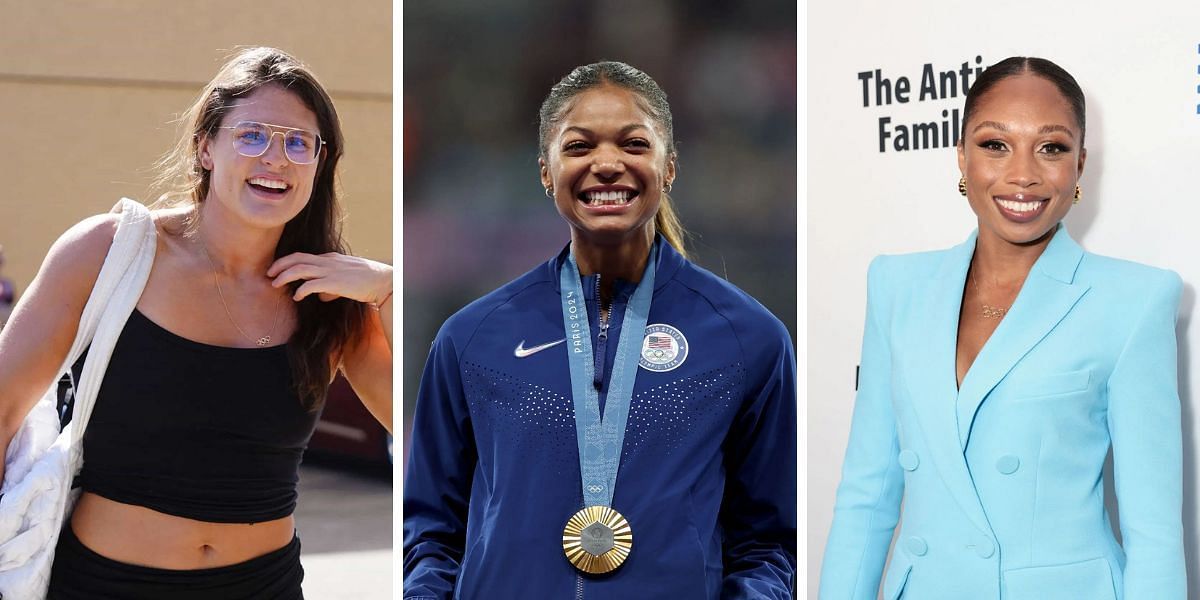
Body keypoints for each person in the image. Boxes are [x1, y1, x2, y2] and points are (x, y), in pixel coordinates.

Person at [0, 47, 392, 599]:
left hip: (266, 586)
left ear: (320, 164)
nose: (275, 158)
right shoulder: (109, 252)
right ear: (206, 147)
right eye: (252, 135)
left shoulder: (330, 295)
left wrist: (388, 291)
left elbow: (422, 429)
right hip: (108, 586)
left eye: (298, 142)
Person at [403, 61, 796, 599]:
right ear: (546, 171)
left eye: (634, 144)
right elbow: (429, 530)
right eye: (579, 146)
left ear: (670, 166)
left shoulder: (748, 339)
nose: (607, 164)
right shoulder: (471, 338)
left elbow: (770, 543)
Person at [819, 57, 1186, 600]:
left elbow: (1153, 532)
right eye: (995, 145)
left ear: (1080, 164)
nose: (1023, 175)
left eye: (1051, 147)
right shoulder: (897, 286)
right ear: (961, 155)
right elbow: (866, 495)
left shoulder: (1134, 301)